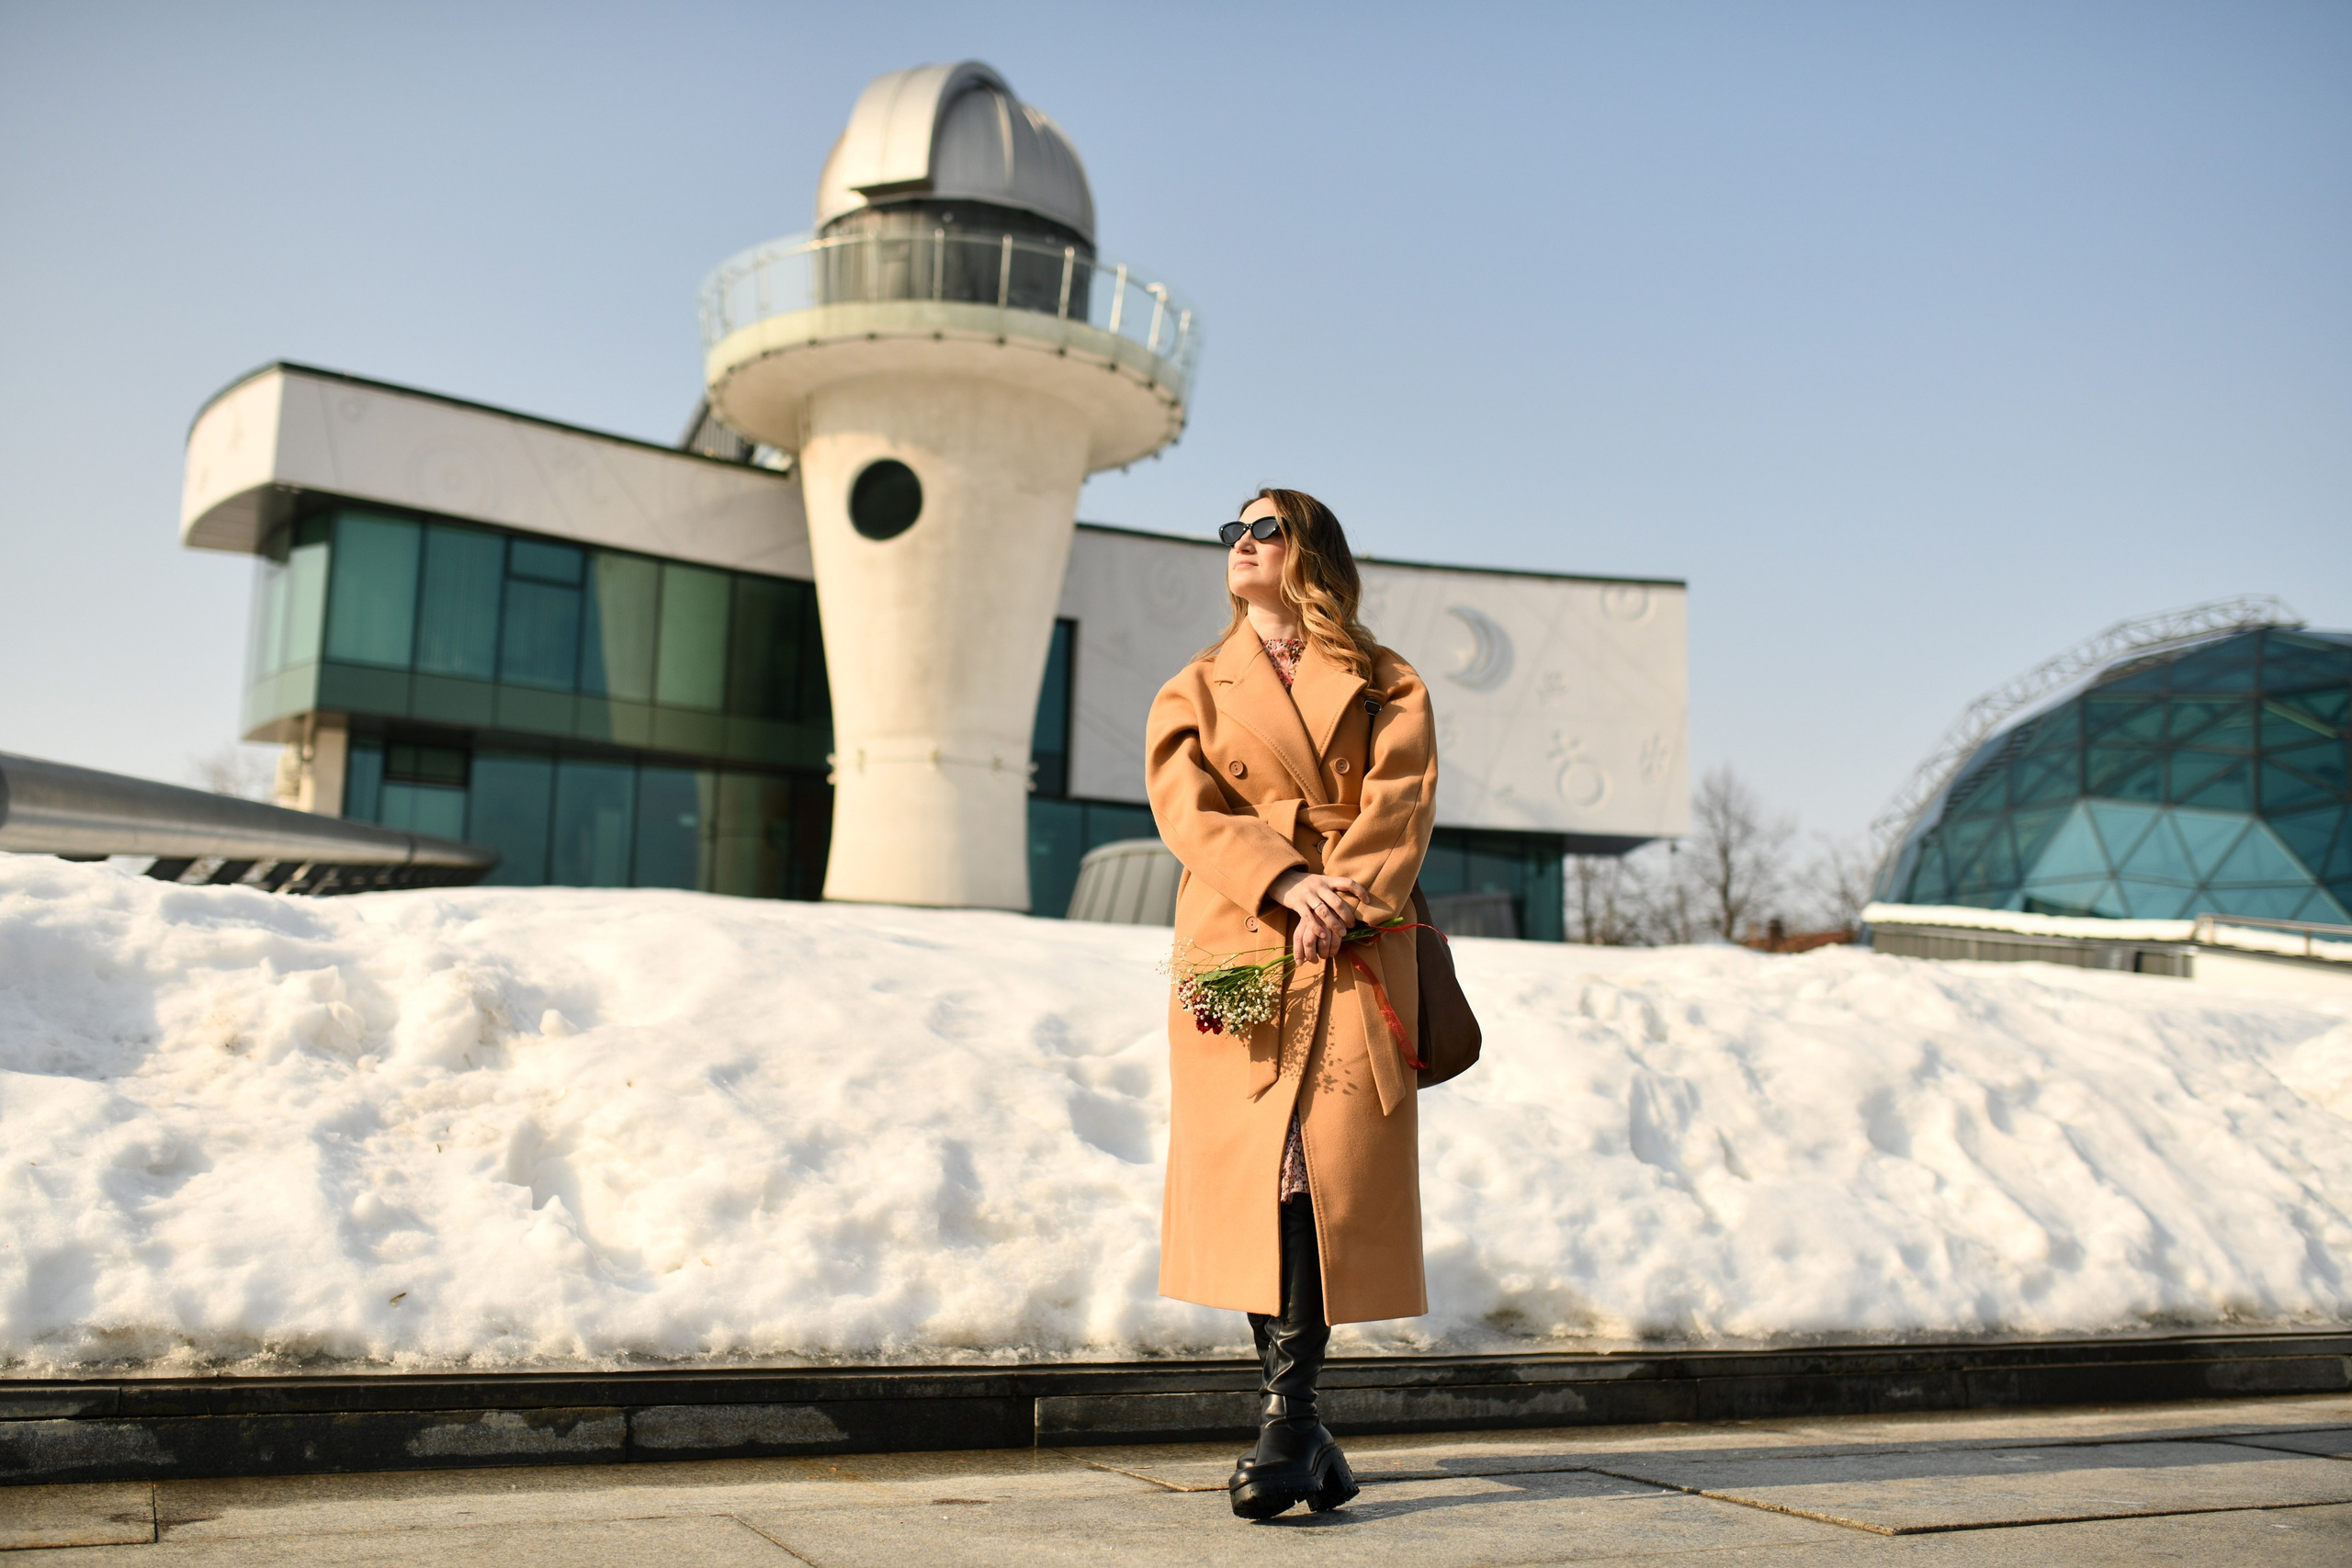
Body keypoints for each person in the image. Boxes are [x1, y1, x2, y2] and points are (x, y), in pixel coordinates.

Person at [1144, 487, 1439, 1520]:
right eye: (1232, 531)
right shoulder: (1195, 685)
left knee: (1321, 1174)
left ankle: (1288, 1420)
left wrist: (1340, 893)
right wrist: (1281, 878)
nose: (1240, 544)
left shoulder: (1386, 680)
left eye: (1262, 529)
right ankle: (1301, 1431)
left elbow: (1399, 803)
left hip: (1351, 937)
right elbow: (1187, 808)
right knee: (1252, 1177)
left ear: (1308, 550)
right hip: (1233, 937)